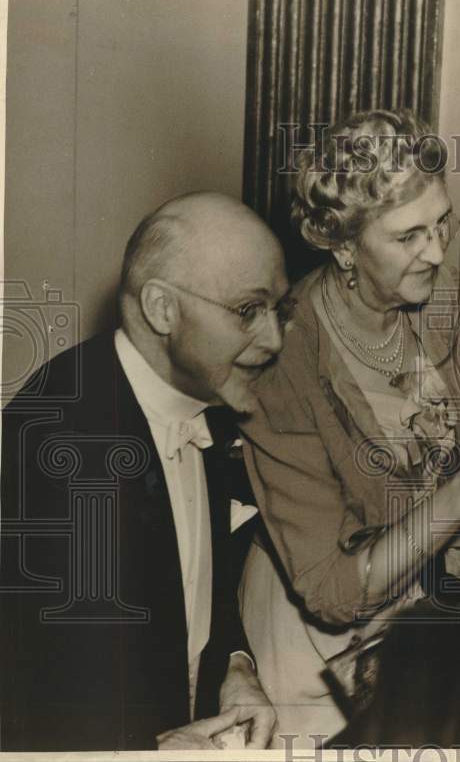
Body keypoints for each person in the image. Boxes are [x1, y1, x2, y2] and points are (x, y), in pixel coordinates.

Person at [237, 109, 460, 749]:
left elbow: (436, 455)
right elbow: (329, 592)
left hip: (429, 583)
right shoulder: (284, 363)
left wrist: (455, 581)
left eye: (442, 223)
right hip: (320, 618)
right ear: (344, 246)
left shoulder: (432, 301)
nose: (437, 251)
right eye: (409, 236)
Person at [0, 192, 286, 750]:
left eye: (281, 309)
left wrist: (235, 666)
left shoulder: (198, 396)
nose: (275, 339)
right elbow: (35, 694)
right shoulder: (60, 444)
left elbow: (203, 581)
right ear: (161, 309)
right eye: (249, 310)